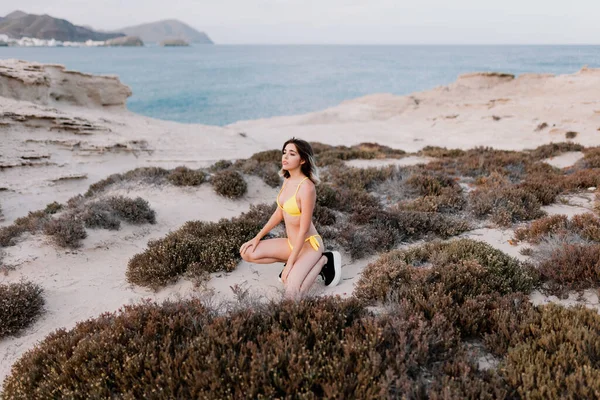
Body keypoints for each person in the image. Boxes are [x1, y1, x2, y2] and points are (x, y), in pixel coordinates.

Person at [240, 138, 341, 299]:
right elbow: (279, 212)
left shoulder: (307, 188)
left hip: (309, 247)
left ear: (302, 160)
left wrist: (290, 265)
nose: (285, 157)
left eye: (291, 154)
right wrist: (257, 238)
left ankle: (323, 261)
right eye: (284, 152)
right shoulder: (287, 180)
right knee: (247, 252)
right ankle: (295, 265)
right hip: (291, 244)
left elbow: (303, 230)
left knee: (292, 294)